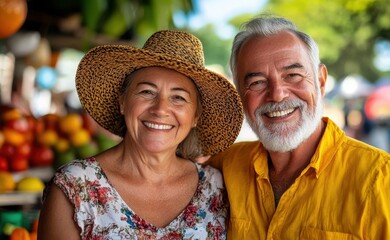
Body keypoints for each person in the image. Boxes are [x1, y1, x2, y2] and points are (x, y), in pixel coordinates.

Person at [209, 15, 390, 239]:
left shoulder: (381, 180)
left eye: (293, 76)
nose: (277, 94)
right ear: (239, 96)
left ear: (321, 82)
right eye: (257, 83)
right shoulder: (224, 166)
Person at [37, 30, 244, 239]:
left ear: (195, 117)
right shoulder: (75, 187)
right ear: (123, 102)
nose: (160, 109)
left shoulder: (217, 188)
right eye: (147, 92)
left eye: (178, 97)